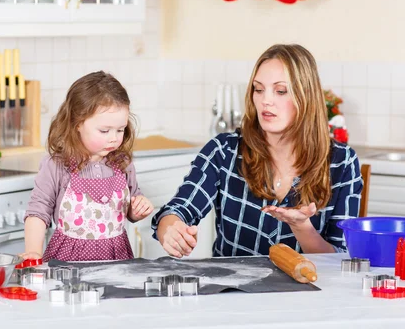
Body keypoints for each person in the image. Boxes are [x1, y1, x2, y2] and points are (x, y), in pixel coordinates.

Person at [152, 44, 362, 258]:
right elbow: (178, 209)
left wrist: (302, 228)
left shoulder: (341, 162)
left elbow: (341, 260)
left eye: (280, 91)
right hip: (232, 289)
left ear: (307, 97)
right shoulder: (225, 151)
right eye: (258, 89)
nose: (265, 100)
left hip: (305, 291)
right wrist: (170, 229)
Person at [21, 71, 154, 262]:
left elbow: (131, 208)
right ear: (77, 123)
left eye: (120, 129)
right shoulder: (57, 165)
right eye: (104, 130)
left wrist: (139, 208)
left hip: (117, 261)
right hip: (68, 265)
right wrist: (33, 251)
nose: (114, 138)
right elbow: (38, 210)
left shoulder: (123, 163)